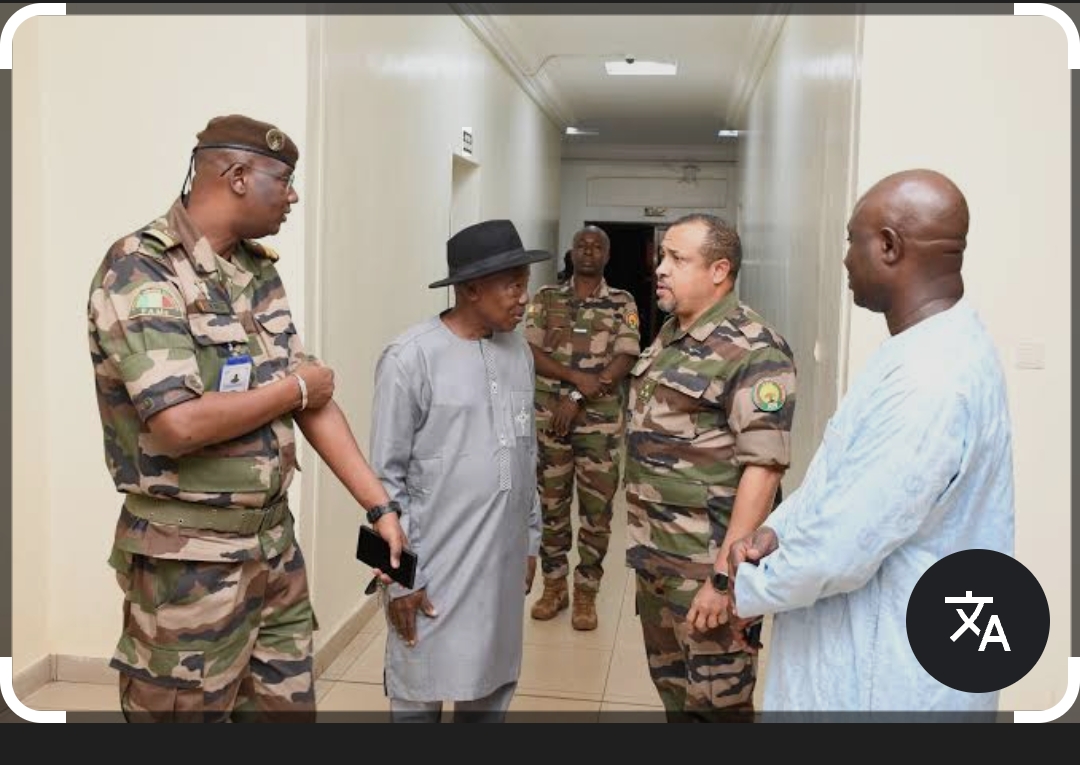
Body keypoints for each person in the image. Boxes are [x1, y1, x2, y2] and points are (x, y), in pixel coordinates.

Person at [86, 114, 405, 723]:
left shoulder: (256, 270)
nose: (293, 196)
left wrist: (379, 508)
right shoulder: (141, 270)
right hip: (190, 565)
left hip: (273, 551)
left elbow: (313, 399)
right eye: (283, 180)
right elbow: (177, 425)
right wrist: (294, 389)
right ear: (236, 176)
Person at [728, 169, 1015, 716]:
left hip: (886, 681)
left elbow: (842, 547)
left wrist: (748, 588)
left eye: (850, 241)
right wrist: (775, 533)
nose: (844, 260)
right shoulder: (933, 347)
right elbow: (840, 484)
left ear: (888, 246)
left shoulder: (929, 380)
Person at [369, 219, 549, 722]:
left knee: (491, 693)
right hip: (433, 570)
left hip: (501, 565)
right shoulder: (409, 358)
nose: (524, 298)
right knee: (418, 694)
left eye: (525, 284)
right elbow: (381, 482)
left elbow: (525, 453)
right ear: (471, 289)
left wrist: (531, 542)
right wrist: (400, 580)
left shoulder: (518, 351)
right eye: (513, 285)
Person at [624, 213, 796, 722]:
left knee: (720, 710)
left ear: (719, 270)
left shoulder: (754, 349)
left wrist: (724, 580)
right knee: (678, 703)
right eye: (662, 257)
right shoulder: (672, 336)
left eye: (677, 259)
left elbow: (764, 468)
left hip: (708, 570)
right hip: (659, 564)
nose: (661, 268)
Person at [523, 225, 641, 629]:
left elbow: (626, 356)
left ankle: (587, 593)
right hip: (550, 423)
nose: (588, 251)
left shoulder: (622, 302)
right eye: (582, 245)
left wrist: (576, 396)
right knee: (551, 508)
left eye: (597, 247)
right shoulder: (546, 298)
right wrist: (576, 379)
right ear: (571, 253)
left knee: (597, 512)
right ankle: (554, 587)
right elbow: (531, 350)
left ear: (607, 256)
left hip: (600, 426)